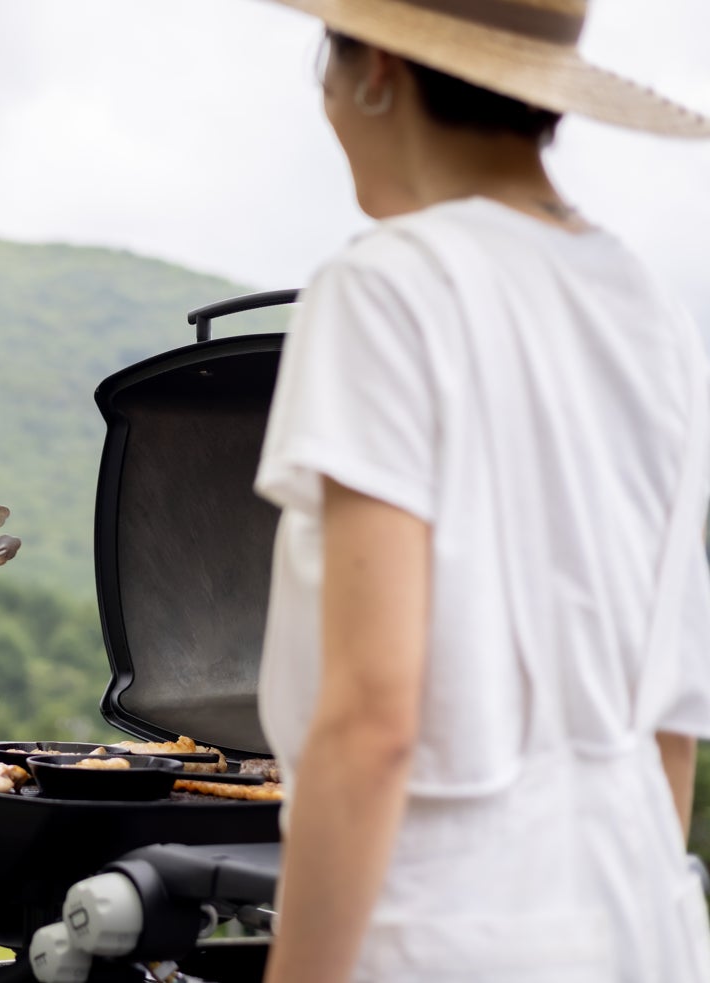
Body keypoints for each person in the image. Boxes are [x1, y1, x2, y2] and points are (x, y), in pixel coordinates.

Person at [248, 2, 710, 981]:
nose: (324, 101)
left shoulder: (390, 287)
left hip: (442, 928)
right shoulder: (656, 312)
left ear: (375, 67)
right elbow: (674, 720)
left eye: (323, 64)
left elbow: (373, 719)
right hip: (643, 921)